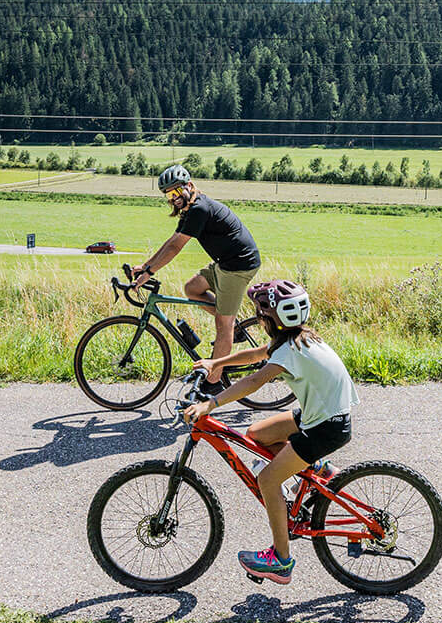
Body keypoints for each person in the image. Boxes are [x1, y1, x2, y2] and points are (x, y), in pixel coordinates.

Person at [183, 278, 356, 585]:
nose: (258, 318)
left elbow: (254, 381)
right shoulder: (298, 339)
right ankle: (321, 473)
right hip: (321, 415)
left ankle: (281, 559)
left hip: (325, 426)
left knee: (267, 478)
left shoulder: (290, 350)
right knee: (257, 434)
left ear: (271, 319)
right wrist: (216, 362)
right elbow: (254, 355)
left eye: (260, 314)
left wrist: (210, 404)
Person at [131, 164, 263, 362]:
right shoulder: (189, 209)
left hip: (238, 266)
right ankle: (235, 328)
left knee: (222, 324)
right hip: (224, 263)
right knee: (192, 288)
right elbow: (171, 241)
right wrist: (145, 266)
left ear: (189, 185)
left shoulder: (199, 209)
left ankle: (213, 382)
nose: (174, 198)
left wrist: (148, 273)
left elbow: (175, 248)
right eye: (168, 195)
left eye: (176, 190)